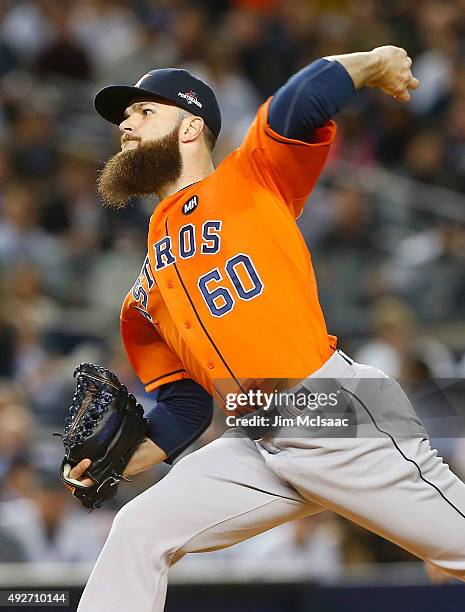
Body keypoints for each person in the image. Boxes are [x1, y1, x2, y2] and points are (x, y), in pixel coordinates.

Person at [68, 47, 465, 612]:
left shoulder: (250, 178)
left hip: (329, 414)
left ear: (191, 127)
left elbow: (300, 102)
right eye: (122, 119)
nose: (126, 125)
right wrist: (128, 457)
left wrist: (373, 63)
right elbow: (183, 405)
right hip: (257, 439)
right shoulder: (146, 290)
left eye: (143, 112)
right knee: (139, 529)